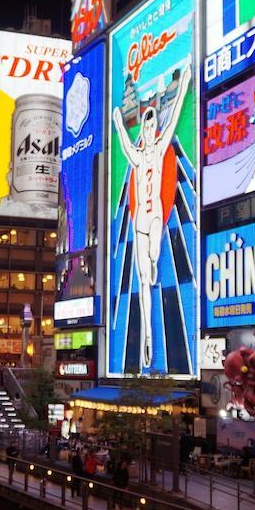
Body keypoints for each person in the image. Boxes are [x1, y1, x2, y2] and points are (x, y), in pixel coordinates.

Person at [110, 66, 190, 369]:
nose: (150, 127)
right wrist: (118, 120)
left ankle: (156, 259)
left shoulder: (158, 151)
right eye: (147, 123)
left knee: (153, 256)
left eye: (152, 122)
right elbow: (123, 140)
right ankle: (147, 338)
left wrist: (183, 84)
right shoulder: (137, 155)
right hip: (138, 220)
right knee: (143, 280)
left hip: (155, 212)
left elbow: (176, 110)